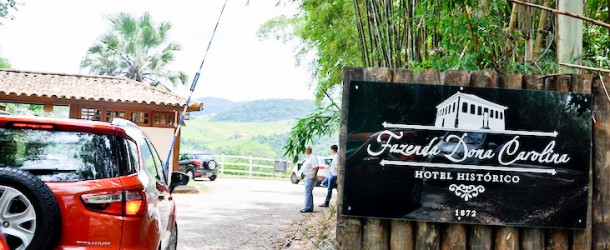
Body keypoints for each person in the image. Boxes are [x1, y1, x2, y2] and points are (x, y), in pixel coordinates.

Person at [300, 146, 319, 213]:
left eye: (308, 149)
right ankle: (309, 207)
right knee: (308, 192)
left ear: (310, 150)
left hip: (310, 177)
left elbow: (316, 167)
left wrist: (314, 175)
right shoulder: (308, 158)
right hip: (307, 177)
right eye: (306, 149)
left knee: (308, 192)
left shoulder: (313, 157)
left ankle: (307, 207)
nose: (307, 150)